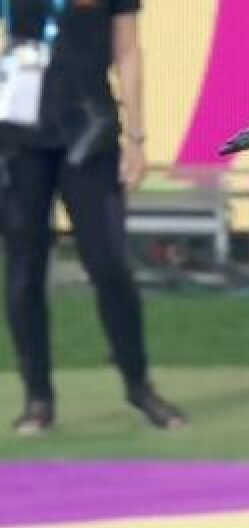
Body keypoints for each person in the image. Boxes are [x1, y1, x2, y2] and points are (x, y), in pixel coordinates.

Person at [0, 0, 185, 434]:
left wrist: (136, 137)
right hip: (18, 135)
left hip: (90, 129)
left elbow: (128, 51)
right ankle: (37, 397)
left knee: (109, 263)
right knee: (25, 266)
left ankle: (138, 385)